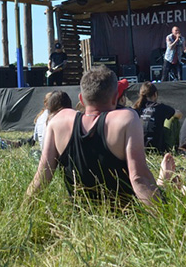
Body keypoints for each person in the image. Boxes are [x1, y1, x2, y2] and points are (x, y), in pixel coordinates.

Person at [27, 65, 161, 206]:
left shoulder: (58, 121)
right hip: (124, 215)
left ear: (81, 99)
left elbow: (41, 179)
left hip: (80, 218)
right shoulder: (126, 119)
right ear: (115, 98)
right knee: (166, 185)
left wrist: (21, 215)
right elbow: (139, 178)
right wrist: (163, 218)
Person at [133, 82, 176, 153]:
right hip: (158, 150)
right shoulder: (160, 107)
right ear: (155, 94)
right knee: (174, 120)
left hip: (141, 151)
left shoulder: (136, 109)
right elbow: (178, 114)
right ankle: (174, 148)